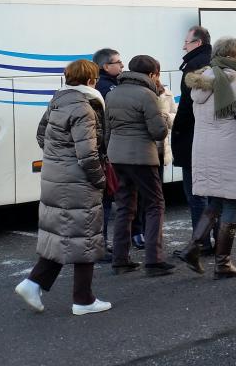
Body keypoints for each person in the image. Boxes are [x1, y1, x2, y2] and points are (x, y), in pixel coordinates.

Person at [15, 59, 112, 316]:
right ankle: (83, 300)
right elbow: (88, 154)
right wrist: (100, 180)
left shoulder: (57, 102)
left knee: (65, 234)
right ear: (92, 80)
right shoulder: (84, 108)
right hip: (77, 181)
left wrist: (59, 158)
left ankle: (33, 283)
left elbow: (41, 136)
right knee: (85, 237)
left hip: (55, 176)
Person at [178, 36, 236, 278]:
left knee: (216, 202)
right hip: (228, 149)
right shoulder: (233, 80)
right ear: (230, 56)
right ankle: (222, 263)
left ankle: (193, 248)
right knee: (232, 203)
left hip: (203, 149)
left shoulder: (202, 80)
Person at [106, 55, 174, 276]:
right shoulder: (147, 95)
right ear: (152, 74)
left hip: (117, 156)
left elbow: (107, 130)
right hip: (142, 157)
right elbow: (159, 131)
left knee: (125, 207)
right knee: (155, 204)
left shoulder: (113, 94)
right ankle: (154, 261)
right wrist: (164, 115)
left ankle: (120, 260)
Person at [171, 26, 214, 257]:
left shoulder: (194, 65)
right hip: (211, 137)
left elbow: (188, 107)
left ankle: (201, 242)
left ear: (197, 43)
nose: (183, 46)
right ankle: (217, 245)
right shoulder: (212, 60)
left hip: (194, 138)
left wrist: (177, 131)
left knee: (195, 192)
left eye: (186, 42)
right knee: (214, 192)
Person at [91, 47, 124, 259]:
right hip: (103, 152)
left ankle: (100, 244)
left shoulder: (106, 85)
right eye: (118, 62)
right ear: (105, 66)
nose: (122, 65)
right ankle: (99, 246)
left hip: (103, 151)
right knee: (104, 202)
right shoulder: (106, 88)